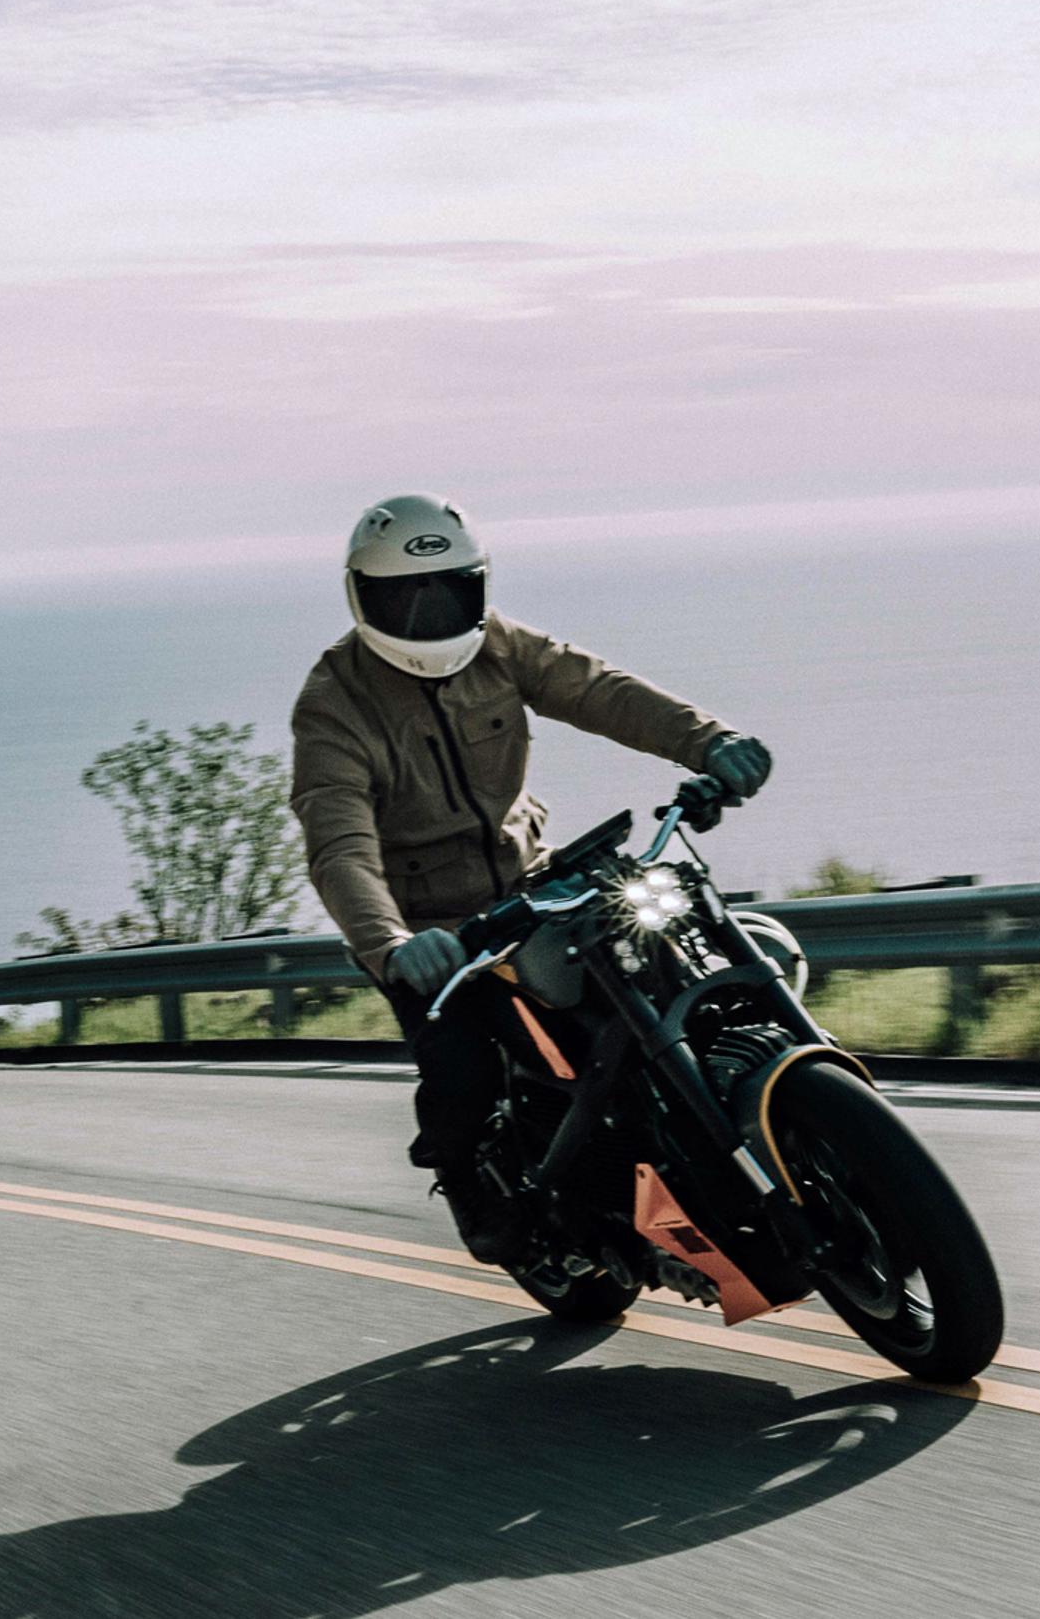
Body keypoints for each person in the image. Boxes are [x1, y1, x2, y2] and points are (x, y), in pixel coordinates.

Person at [288, 495, 771, 1261]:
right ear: (361, 596)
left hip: (533, 883)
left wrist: (708, 741)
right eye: (405, 596)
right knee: (464, 1073)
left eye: (448, 588)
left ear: (478, 584)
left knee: (657, 984)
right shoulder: (334, 704)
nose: (428, 610)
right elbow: (339, 845)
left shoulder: (500, 645)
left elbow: (596, 688)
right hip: (429, 931)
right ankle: (466, 1177)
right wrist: (391, 943)